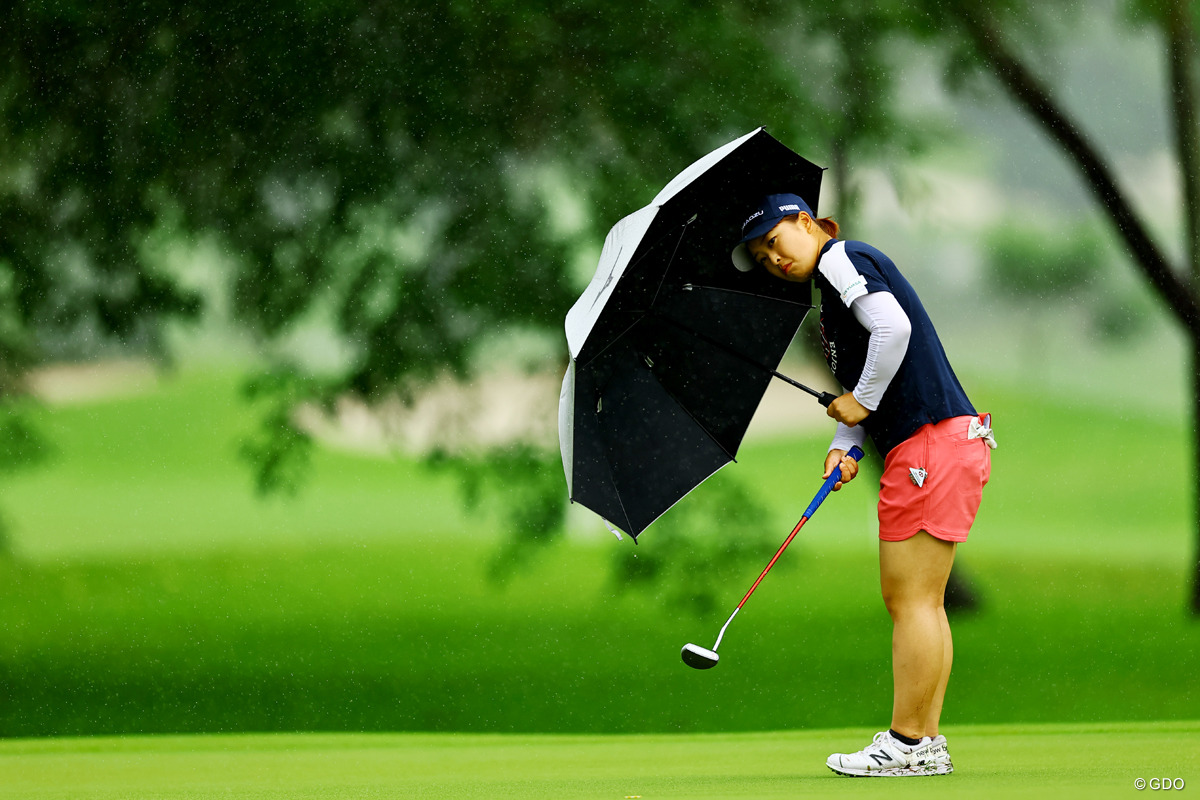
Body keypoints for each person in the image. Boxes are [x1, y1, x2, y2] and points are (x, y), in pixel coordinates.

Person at [731, 193, 995, 777]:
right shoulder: (831, 304)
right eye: (759, 253)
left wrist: (862, 402)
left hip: (929, 444)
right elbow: (861, 391)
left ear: (806, 223)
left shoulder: (841, 258)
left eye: (774, 241)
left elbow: (893, 331)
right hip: (942, 444)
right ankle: (923, 743)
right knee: (922, 602)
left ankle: (905, 744)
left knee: (911, 601)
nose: (772, 258)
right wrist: (842, 446)